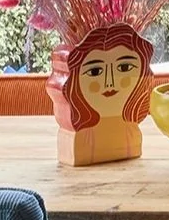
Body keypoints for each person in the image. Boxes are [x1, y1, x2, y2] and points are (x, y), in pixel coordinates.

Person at [53, 22, 153, 165]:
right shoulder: (81, 140)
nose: (109, 82)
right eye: (95, 71)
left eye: (124, 68)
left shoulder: (132, 133)